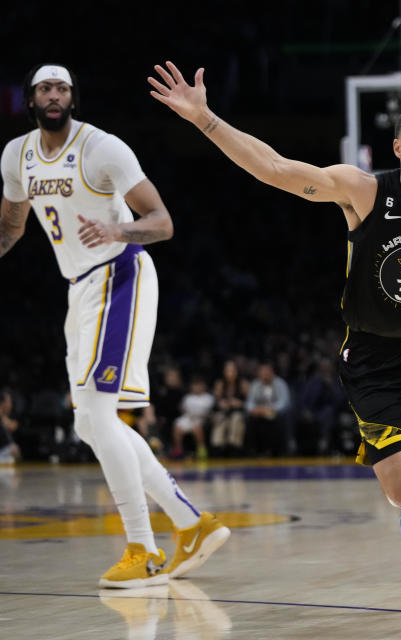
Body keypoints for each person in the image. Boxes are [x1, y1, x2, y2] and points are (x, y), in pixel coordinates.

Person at [148, 60, 401, 612]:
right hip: (373, 361)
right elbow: (274, 168)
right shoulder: (362, 192)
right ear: (398, 150)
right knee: (399, 486)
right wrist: (205, 119)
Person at [0, 63, 229, 588]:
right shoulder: (17, 156)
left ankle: (143, 549)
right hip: (78, 288)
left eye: (61, 88)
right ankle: (191, 524)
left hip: (118, 274)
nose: (53, 95)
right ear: (30, 100)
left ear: (73, 98)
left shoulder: (103, 148)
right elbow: (13, 222)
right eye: (43, 89)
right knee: (87, 423)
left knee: (100, 418)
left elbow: (163, 223)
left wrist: (117, 227)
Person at [244, 363, 291, 457]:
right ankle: (254, 451)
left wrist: (269, 409)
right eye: (263, 372)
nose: (265, 374)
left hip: (276, 413)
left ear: (272, 373)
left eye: (267, 372)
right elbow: (249, 402)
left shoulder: (280, 383)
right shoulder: (256, 384)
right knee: (250, 420)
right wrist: (255, 409)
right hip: (259, 414)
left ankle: (275, 451)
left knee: (276, 420)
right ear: (259, 374)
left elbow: (284, 402)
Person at [210, 359, 248, 457]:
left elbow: (248, 402)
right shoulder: (220, 384)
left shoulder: (243, 384)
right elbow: (216, 402)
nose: (230, 373)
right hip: (223, 412)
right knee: (219, 418)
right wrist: (221, 403)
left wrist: (239, 403)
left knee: (236, 418)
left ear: (237, 371)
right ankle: (217, 447)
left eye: (233, 370)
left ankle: (234, 448)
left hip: (238, 412)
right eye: (228, 370)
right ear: (224, 372)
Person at [171, 377, 215, 460]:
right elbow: (184, 409)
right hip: (188, 418)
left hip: (201, 419)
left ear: (203, 386)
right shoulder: (188, 397)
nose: (197, 387)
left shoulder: (208, 397)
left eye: (199, 385)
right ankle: (178, 450)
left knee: (196, 427)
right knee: (177, 425)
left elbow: (208, 412)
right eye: (195, 385)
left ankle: (201, 449)